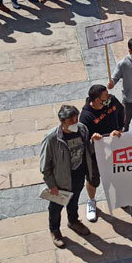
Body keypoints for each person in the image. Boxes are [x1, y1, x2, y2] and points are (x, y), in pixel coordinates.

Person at [40, 104, 98, 248]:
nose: (75, 122)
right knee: (56, 207)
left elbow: (87, 149)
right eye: (71, 120)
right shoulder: (52, 138)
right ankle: (55, 230)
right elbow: (45, 165)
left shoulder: (82, 129)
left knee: (74, 200)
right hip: (61, 179)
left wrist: (95, 141)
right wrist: (51, 185)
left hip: (78, 173)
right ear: (63, 121)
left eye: (76, 118)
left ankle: (73, 221)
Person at [78, 85, 123, 223]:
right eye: (105, 96)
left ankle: (120, 196)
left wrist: (120, 129)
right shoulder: (86, 116)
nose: (109, 97)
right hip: (96, 154)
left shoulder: (113, 101)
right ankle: (91, 202)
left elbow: (122, 113)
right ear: (97, 100)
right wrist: (95, 137)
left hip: (114, 149)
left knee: (118, 172)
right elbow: (84, 138)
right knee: (93, 179)